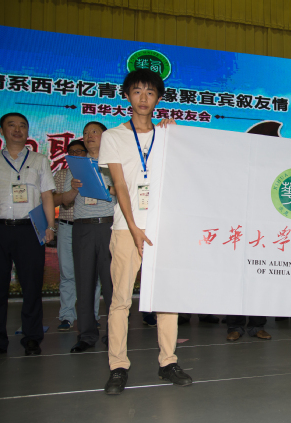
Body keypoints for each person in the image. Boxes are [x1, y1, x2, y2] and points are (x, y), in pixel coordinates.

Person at [98, 69, 192, 394]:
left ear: (159, 99)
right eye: (137, 91)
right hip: (127, 229)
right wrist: (136, 228)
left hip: (163, 229)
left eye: (150, 93)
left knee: (166, 299)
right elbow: (120, 186)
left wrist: (175, 136)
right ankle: (118, 367)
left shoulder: (167, 133)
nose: (143, 98)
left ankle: (168, 362)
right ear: (126, 95)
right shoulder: (113, 136)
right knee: (120, 301)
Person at [0, 113, 56, 360]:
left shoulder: (40, 160)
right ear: (2, 130)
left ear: (28, 132)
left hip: (29, 230)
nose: (17, 130)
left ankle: (32, 337)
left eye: (22, 126)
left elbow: (47, 196)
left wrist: (50, 226)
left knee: (32, 286)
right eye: (12, 125)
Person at [61, 122, 115, 353]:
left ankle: (115, 333)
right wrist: (74, 188)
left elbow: (127, 193)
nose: (89, 136)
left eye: (94, 132)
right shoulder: (76, 165)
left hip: (109, 226)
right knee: (84, 282)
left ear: (106, 136)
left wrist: (109, 188)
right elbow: (65, 200)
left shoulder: (114, 163)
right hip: (82, 228)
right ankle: (86, 334)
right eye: (85, 133)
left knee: (112, 284)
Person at [53, 140, 103, 331]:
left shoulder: (96, 172)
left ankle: (93, 315)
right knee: (67, 273)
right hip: (67, 227)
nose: (75, 155)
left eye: (79, 151)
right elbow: (54, 200)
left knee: (93, 275)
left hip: (89, 228)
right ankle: (67, 315)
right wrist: (71, 190)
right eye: (71, 152)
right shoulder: (62, 174)